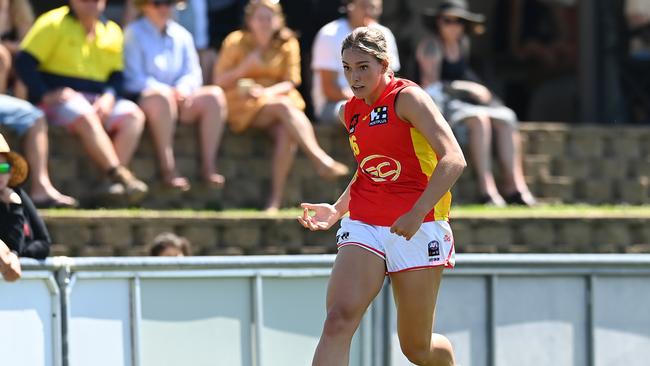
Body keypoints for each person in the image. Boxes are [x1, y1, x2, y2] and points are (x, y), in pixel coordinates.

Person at [298, 27, 465, 366]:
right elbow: (369, 168)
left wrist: (417, 212)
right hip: (365, 222)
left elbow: (454, 159)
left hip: (419, 226)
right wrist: (337, 209)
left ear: (384, 64)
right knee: (337, 320)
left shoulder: (408, 99)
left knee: (416, 349)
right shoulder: (351, 111)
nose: (353, 77)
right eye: (346, 67)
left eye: (362, 67)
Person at [214, 0, 349, 212]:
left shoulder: (288, 42)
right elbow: (219, 80)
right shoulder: (235, 41)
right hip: (242, 105)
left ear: (278, 20)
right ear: (250, 20)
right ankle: (319, 160)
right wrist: (244, 68)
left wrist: (267, 93)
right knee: (285, 107)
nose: (265, 23)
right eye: (260, 18)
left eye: (269, 18)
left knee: (286, 131)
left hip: (275, 101)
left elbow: (292, 80)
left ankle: (274, 201)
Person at [15, 0, 149, 205]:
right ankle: (119, 175)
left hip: (97, 100)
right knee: (83, 111)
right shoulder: (52, 22)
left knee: (133, 114)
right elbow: (24, 62)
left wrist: (109, 97)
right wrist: (44, 94)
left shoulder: (112, 31)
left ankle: (108, 185)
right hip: (58, 101)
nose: (91, 3)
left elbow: (116, 76)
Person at [418, 0, 536, 206]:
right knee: (479, 120)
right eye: (448, 21)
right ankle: (486, 188)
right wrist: (468, 88)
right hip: (442, 106)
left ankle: (515, 185)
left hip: (463, 104)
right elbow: (432, 86)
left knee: (506, 119)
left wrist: (483, 93)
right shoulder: (431, 45)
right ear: (438, 22)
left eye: (459, 22)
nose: (453, 26)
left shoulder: (462, 43)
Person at [124, 0, 228, 190]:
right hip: (147, 101)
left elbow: (193, 74)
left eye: (169, 3)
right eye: (157, 3)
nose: (164, 8)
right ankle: (168, 169)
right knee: (162, 99)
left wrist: (182, 89)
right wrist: (164, 90)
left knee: (214, 96)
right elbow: (132, 77)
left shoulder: (183, 35)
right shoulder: (133, 33)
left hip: (179, 99)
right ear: (144, 5)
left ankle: (208, 167)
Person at [311, 0, 400, 124]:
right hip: (333, 104)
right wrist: (364, 99)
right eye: (363, 6)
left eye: (373, 7)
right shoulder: (329, 34)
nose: (368, 12)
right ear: (350, 6)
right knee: (363, 114)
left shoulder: (385, 34)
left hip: (375, 101)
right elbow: (329, 89)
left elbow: (390, 78)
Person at [0, 94, 77, 207]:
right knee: (34, 116)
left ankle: (40, 188)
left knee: (35, 116)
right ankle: (40, 188)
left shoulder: (18, 198)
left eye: (4, 168)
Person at [1, 133, 53, 281]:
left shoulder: (18, 195)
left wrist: (16, 254)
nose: (0, 174)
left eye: (3, 168)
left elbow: (44, 243)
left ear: (11, 172)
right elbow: (10, 244)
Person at [0, 0, 33, 97]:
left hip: (15, 65)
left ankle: (19, 104)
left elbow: (28, 45)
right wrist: (3, 11)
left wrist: (7, 46)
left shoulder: (20, 9)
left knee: (25, 61)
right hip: (2, 61)